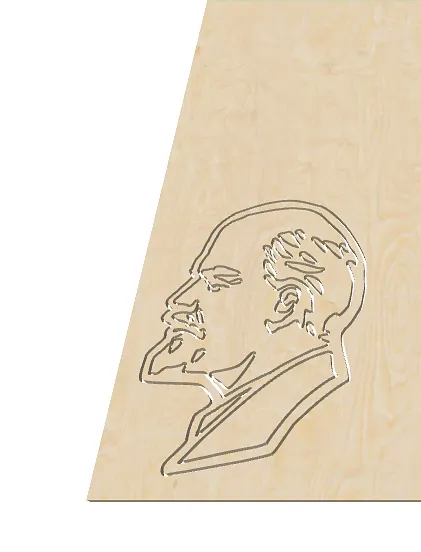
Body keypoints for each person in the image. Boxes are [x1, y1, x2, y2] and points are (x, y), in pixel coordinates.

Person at [139, 200, 366, 475]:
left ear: (286, 303)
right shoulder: (229, 412)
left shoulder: (301, 428)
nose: (179, 300)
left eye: (214, 283)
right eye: (195, 280)